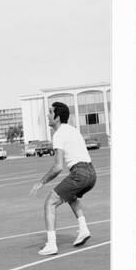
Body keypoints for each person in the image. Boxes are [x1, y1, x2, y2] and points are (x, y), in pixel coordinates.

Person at [30, 101, 97, 255]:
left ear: (57, 117)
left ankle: (51, 244)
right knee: (71, 196)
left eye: (50, 112)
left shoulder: (58, 134)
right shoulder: (73, 130)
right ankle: (83, 229)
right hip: (92, 173)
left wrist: (41, 182)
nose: (48, 115)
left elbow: (58, 167)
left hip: (79, 173)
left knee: (49, 203)